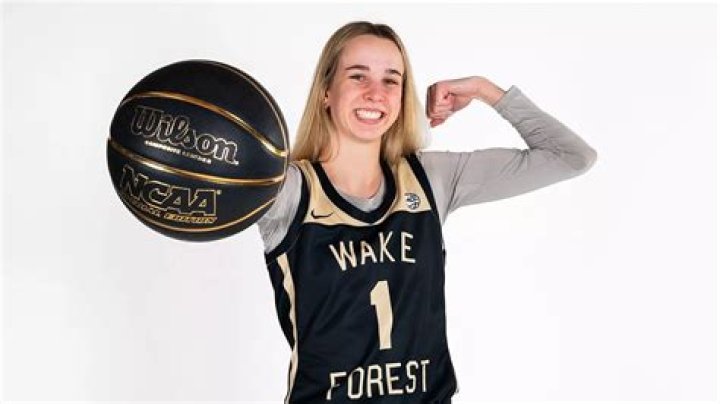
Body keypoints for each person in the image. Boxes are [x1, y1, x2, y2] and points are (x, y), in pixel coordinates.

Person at [256, 21, 597, 403]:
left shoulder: (429, 178)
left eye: (391, 80)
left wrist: (484, 90)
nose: (375, 93)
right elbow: (203, 191)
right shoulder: (288, 190)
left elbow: (572, 157)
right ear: (326, 92)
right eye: (357, 76)